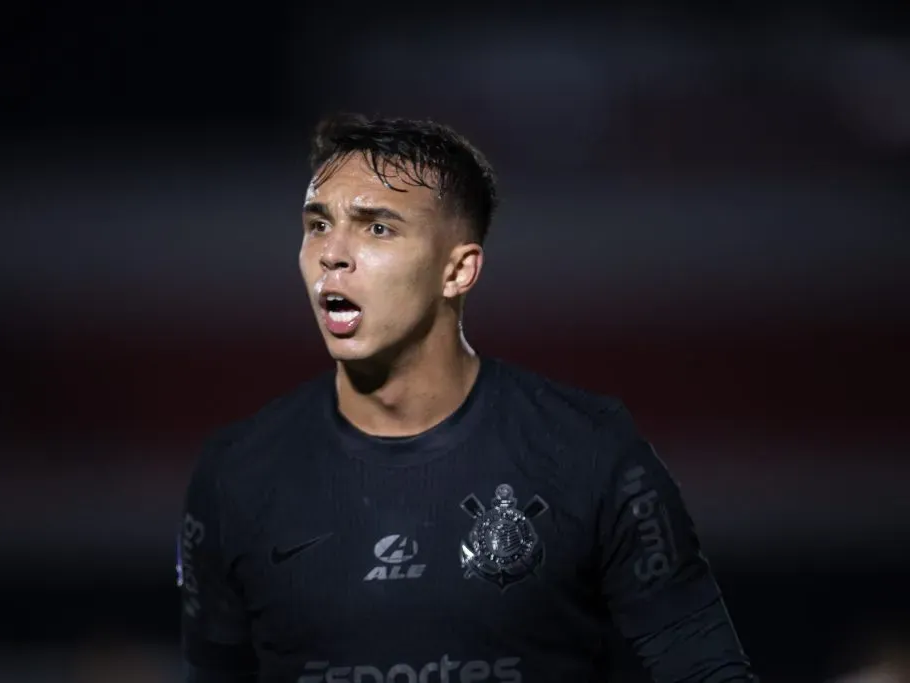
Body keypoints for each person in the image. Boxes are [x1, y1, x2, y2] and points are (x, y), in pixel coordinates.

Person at [177, 113, 756, 683]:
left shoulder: (590, 453)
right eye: (318, 224)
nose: (333, 253)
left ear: (458, 270)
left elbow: (706, 669)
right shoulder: (237, 475)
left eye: (376, 228)